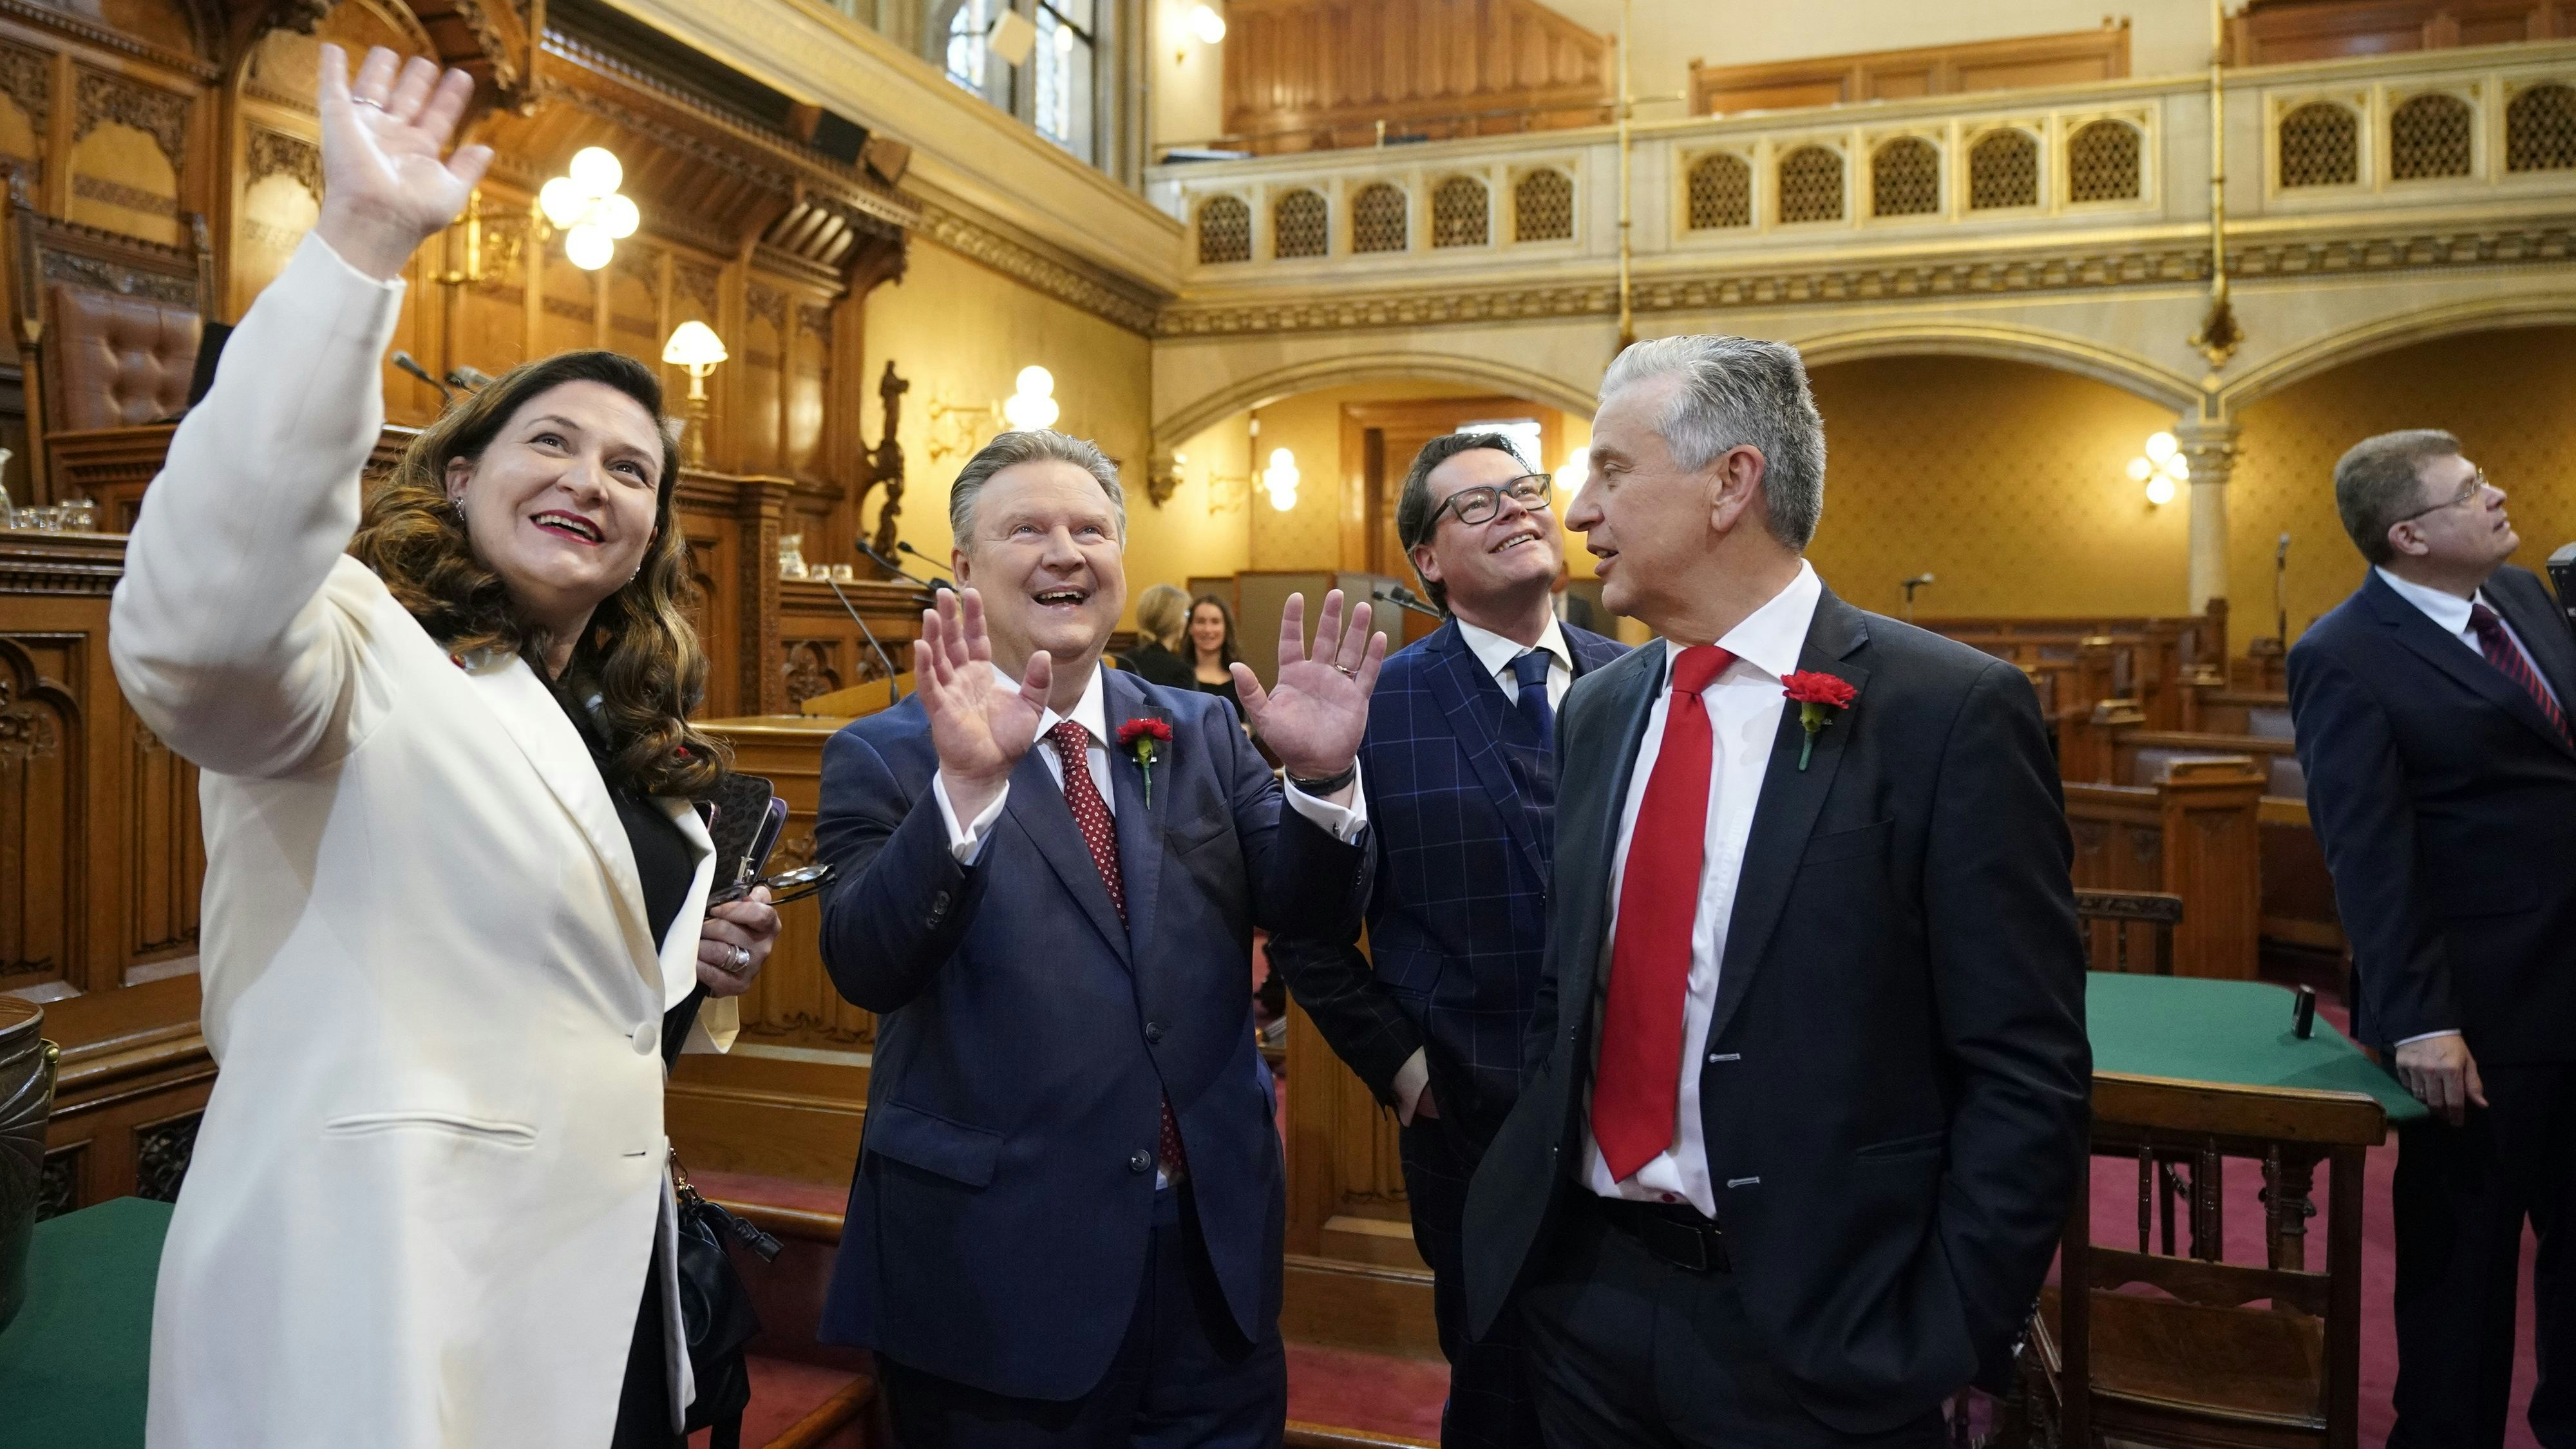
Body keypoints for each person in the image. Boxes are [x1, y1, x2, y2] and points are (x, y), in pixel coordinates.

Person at [109, 46, 779, 1449]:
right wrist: (356, 249)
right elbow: (198, 626)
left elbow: (587, 993)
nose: (591, 478)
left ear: (651, 532)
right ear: (461, 474)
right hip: (384, 1289)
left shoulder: (634, 733)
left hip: (598, 1302)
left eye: (631, 468)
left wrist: (691, 970)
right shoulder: (343, 649)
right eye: (554, 442)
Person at [1461, 335, 2090, 1445]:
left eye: (1610, 470)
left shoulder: (1947, 713)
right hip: (1580, 1306)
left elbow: (2024, 1067)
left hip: (1820, 1332)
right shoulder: (1600, 712)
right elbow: (1578, 997)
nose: (1574, 510)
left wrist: (1947, 1331)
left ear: (1730, 484)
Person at [810, 429, 1385, 1447]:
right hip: (995, 1269)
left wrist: (1323, 786)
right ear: (964, 566)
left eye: (1089, 529)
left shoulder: (1201, 731)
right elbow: (866, 962)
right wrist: (965, 792)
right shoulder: (887, 752)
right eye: (1025, 528)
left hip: (1209, 1265)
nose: (1063, 552)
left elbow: (1308, 913)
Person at [1268, 432, 1625, 1449]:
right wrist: (1409, 1070)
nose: (1517, 510)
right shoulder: (1376, 703)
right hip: (1480, 1133)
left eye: (1525, 491)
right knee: (1505, 1403)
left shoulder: (1635, 680)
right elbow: (1303, 934)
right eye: (1478, 506)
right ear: (1426, 558)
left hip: (1646, 1132)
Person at [2287, 430, 2576, 1449]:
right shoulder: (2341, 654)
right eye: (2471, 490)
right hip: (2477, 1021)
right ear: (2409, 535)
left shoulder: (2532, 601)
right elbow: (2368, 853)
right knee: (2464, 1281)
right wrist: (2419, 1020)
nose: (2499, 494)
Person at [1124, 582, 1198, 688]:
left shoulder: (1124, 661)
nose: (1188, 620)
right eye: (1186, 614)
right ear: (1173, 618)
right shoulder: (1179, 671)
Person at [1189, 592, 1250, 719]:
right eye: (1201, 621)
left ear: (1226, 628)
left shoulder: (1241, 678)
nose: (1208, 630)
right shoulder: (1180, 678)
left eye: (1215, 622)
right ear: (1190, 628)